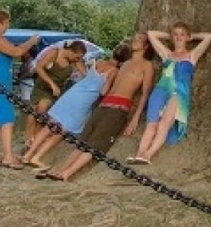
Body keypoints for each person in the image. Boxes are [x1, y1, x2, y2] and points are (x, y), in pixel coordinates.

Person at [39, 32, 156, 182]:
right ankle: (61, 170)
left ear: (146, 46)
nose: (135, 40)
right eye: (135, 37)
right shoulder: (125, 64)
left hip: (119, 108)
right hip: (104, 104)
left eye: (140, 39)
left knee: (97, 143)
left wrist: (135, 118)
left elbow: (145, 93)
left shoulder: (147, 65)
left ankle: (67, 173)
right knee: (83, 141)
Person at [20, 41, 131, 170]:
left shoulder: (99, 62)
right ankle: (37, 157)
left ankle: (27, 155)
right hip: (84, 100)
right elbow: (103, 91)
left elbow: (87, 75)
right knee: (61, 132)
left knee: (50, 126)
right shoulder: (114, 71)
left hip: (72, 93)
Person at [127, 23, 211, 166]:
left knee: (164, 125)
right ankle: (139, 154)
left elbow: (209, 37)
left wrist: (191, 36)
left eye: (182, 34)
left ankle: (148, 155)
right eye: (176, 34)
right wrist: (170, 36)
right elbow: (151, 34)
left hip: (179, 93)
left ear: (187, 37)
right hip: (161, 89)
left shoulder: (192, 56)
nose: (179, 37)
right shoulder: (166, 54)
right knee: (151, 124)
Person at [0, 8, 40, 169]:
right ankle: (8, 156)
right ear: (0, 22)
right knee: (7, 120)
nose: (8, 25)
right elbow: (16, 51)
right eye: (7, 22)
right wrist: (31, 42)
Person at [24, 40, 87, 145]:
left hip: (55, 92)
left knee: (43, 107)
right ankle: (28, 139)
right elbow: (39, 67)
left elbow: (86, 75)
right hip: (42, 87)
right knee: (32, 113)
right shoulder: (54, 52)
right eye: (77, 57)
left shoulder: (75, 61)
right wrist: (51, 84)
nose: (78, 59)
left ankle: (36, 138)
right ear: (71, 51)